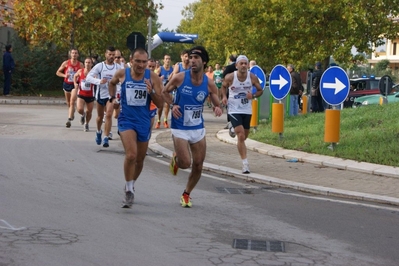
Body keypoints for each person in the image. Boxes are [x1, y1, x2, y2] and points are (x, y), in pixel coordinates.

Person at [162, 46, 223, 208]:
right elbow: (164, 92)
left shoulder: (209, 84)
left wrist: (218, 108)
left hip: (197, 128)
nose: (192, 60)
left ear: (204, 62)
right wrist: (173, 104)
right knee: (185, 163)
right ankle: (177, 159)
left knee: (198, 164)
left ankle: (187, 193)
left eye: (196, 58)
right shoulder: (180, 78)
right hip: (180, 127)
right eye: (191, 57)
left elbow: (216, 103)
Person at [108, 48, 163, 208]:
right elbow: (112, 84)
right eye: (137, 61)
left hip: (144, 121)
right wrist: (113, 98)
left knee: (140, 159)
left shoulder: (152, 77)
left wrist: (151, 91)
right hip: (126, 120)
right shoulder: (121, 74)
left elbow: (160, 104)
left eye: (144, 62)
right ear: (131, 61)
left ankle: (130, 183)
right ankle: (129, 189)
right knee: (131, 155)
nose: (141, 65)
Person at [221, 55, 263, 174]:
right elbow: (223, 87)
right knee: (240, 136)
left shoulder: (252, 77)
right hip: (234, 109)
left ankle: (232, 128)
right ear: (237, 65)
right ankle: (245, 164)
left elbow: (260, 90)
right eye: (241, 63)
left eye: (245, 63)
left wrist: (253, 95)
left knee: (244, 137)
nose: (244, 65)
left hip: (246, 109)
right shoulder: (230, 77)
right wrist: (224, 97)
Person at [86, 46, 123, 147]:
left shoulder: (118, 68)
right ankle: (98, 132)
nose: (112, 57)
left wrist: (119, 92)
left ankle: (106, 137)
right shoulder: (100, 66)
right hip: (100, 95)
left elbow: (123, 80)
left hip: (111, 95)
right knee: (99, 117)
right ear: (105, 54)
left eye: (113, 55)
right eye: (110, 54)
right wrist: (99, 81)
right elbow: (88, 77)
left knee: (109, 114)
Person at [56, 48, 84, 128]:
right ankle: (72, 114)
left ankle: (69, 119)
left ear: (78, 55)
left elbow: (83, 74)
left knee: (72, 102)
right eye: (73, 53)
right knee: (68, 103)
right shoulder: (66, 63)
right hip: (66, 84)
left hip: (75, 85)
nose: (74, 54)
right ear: (70, 54)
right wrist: (65, 75)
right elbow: (57, 72)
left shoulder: (80, 65)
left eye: (76, 53)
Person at [73, 57, 95, 132]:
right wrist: (75, 83)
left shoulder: (94, 73)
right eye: (86, 62)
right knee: (79, 109)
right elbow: (75, 76)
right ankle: (82, 114)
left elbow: (97, 80)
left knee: (89, 112)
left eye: (89, 63)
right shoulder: (80, 71)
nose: (87, 64)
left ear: (92, 64)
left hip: (90, 95)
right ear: (84, 63)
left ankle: (86, 123)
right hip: (81, 93)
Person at [155, 54, 174, 129]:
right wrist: (159, 78)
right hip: (161, 89)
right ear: (164, 60)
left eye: (169, 59)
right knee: (160, 106)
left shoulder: (172, 69)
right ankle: (159, 120)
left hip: (169, 89)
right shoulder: (160, 68)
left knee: (167, 105)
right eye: (166, 59)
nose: (168, 60)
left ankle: (165, 120)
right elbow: (155, 78)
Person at [222, 54, 237, 129]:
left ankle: (230, 123)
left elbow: (224, 76)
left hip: (230, 89)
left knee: (230, 106)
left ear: (229, 60)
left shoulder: (229, 67)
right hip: (241, 90)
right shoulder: (240, 67)